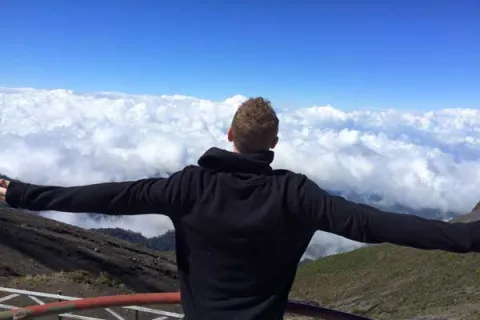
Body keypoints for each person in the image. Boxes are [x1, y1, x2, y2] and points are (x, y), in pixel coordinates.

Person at [0, 97, 479, 320]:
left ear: (229, 136)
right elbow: (379, 225)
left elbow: (105, 196)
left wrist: (22, 192)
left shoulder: (188, 187)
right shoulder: (298, 195)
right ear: (274, 144)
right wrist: (469, 238)